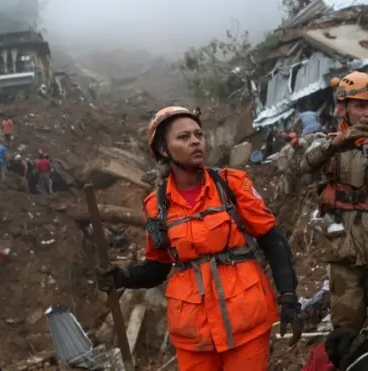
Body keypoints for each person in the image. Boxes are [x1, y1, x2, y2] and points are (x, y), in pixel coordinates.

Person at [96, 106, 303, 371]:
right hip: (193, 334)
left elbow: (272, 241)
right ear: (163, 150)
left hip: (246, 323)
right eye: (183, 137)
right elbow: (158, 267)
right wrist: (124, 277)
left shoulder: (233, 184)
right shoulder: (156, 206)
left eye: (198, 135)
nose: (196, 141)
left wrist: (288, 296)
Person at [300, 71, 368, 356]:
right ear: (343, 108)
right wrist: (339, 143)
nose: (367, 113)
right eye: (360, 105)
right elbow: (304, 165)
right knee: (346, 333)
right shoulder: (328, 145)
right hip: (342, 253)